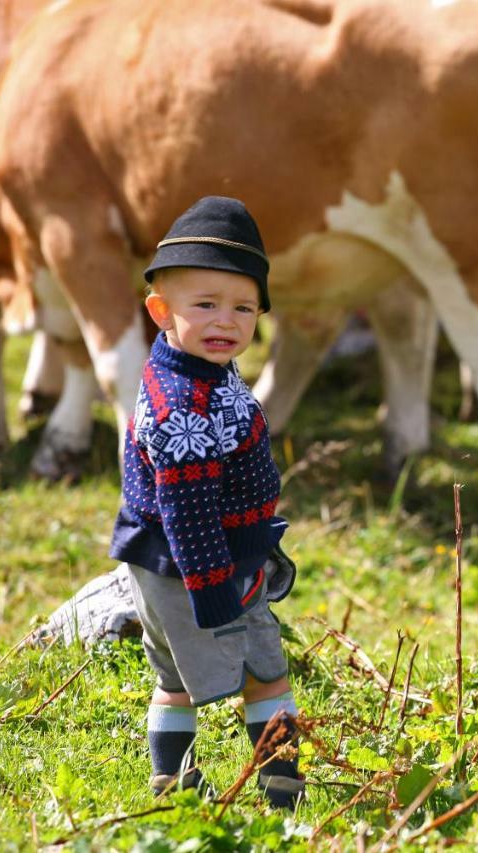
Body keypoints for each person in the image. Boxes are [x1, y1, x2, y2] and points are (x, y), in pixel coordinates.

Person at [108, 196, 304, 806]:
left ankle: (189, 783)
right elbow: (188, 513)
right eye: (207, 305)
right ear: (162, 312)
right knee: (247, 673)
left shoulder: (203, 369)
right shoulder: (180, 406)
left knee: (207, 674)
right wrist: (216, 591)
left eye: (244, 307)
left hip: (202, 561)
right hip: (193, 568)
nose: (227, 321)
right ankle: (273, 792)